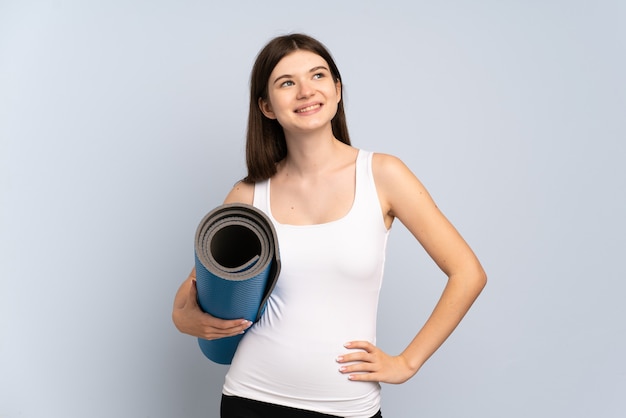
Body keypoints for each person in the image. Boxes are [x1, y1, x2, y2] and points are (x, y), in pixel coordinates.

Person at [172, 33, 487, 418]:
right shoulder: (249, 194)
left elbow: (468, 273)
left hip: (347, 406)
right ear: (267, 106)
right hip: (251, 397)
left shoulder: (384, 174)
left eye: (318, 76)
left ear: (337, 91)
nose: (306, 91)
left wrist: (406, 363)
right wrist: (186, 320)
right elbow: (187, 299)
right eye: (287, 83)